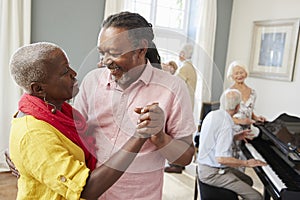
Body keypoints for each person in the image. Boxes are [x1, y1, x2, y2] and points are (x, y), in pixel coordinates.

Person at [8, 42, 165, 199]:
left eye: (69, 67)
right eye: (64, 71)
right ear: (39, 89)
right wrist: (139, 136)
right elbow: (86, 190)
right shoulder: (34, 134)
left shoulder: (62, 113)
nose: (74, 73)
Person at [74, 11, 196, 199]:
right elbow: (72, 133)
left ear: (141, 49)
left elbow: (186, 157)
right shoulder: (92, 81)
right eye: (102, 53)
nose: (106, 61)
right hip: (89, 193)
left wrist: (160, 137)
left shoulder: (173, 88)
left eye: (114, 53)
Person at [196, 89, 267, 200]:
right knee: (257, 197)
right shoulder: (227, 124)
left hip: (203, 167)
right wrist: (246, 163)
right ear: (238, 107)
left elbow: (214, 140)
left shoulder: (213, 114)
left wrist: (235, 137)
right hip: (212, 173)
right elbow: (222, 159)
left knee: (248, 180)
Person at [164, 43, 197, 173]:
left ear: (183, 54)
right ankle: (179, 162)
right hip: (186, 104)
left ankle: (175, 164)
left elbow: (174, 84)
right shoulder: (190, 67)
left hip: (181, 106)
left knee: (176, 134)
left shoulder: (184, 68)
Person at [226, 61, 266, 167]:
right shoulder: (230, 92)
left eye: (241, 72)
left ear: (246, 73)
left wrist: (256, 118)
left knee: (244, 160)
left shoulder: (253, 92)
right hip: (233, 131)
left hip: (246, 131)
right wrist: (241, 121)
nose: (239, 75)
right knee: (231, 160)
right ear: (232, 76)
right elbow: (225, 115)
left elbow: (249, 109)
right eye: (236, 73)